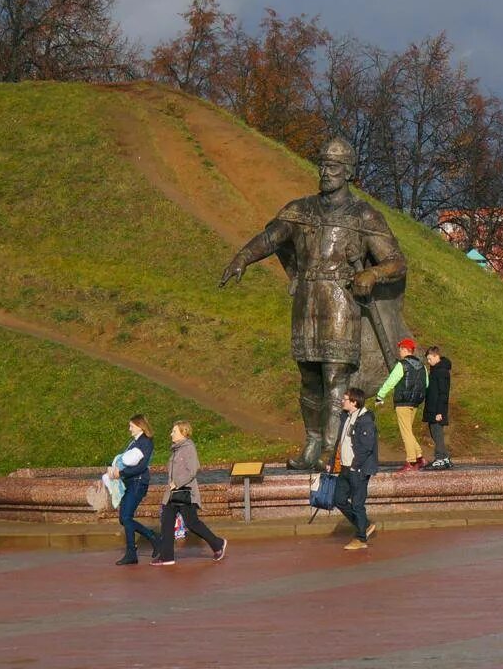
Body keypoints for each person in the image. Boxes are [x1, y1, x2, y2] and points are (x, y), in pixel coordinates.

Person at [218, 137, 410, 470]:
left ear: (348, 171)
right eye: (322, 165)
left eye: (333, 167)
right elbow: (272, 237)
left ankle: (328, 450)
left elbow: (396, 261)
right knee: (308, 377)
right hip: (306, 300)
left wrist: (373, 275)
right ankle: (311, 443)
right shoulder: (300, 209)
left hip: (341, 303)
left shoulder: (364, 215)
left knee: (335, 376)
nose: (325, 172)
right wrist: (243, 257)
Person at [151, 420, 226, 565]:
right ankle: (167, 557)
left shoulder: (189, 448)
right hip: (172, 494)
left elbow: (192, 471)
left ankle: (218, 544)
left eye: (174, 431)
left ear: (183, 432)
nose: (170, 433)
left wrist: (177, 483)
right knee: (166, 522)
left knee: (192, 523)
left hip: (185, 493)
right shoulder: (176, 449)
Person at [105, 414, 158, 566]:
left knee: (126, 517)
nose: (129, 429)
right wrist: (112, 465)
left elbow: (141, 466)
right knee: (124, 518)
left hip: (138, 482)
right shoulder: (135, 442)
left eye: (131, 426)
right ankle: (151, 538)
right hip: (131, 482)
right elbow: (124, 460)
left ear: (140, 426)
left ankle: (133, 552)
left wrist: (120, 473)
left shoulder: (145, 442)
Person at [334, 387, 380, 551]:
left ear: (354, 402)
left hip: (358, 469)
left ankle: (361, 538)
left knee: (357, 504)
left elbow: (366, 447)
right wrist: (333, 461)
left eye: (345, 399)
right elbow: (341, 442)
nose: (342, 401)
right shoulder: (346, 417)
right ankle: (365, 525)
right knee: (338, 499)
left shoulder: (365, 420)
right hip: (345, 467)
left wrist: (355, 466)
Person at [375, 337, 429, 471]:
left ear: (406, 349)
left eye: (400, 349)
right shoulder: (422, 366)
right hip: (415, 402)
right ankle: (420, 457)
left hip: (403, 402)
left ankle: (410, 461)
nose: (399, 351)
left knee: (406, 432)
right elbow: (426, 384)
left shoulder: (402, 364)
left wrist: (380, 395)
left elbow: (391, 381)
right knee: (408, 431)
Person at [423, 345, 455, 470]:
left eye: (430, 359)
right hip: (432, 408)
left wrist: (440, 412)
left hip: (437, 409)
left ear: (436, 356)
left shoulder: (441, 372)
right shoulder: (436, 370)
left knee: (437, 433)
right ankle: (445, 457)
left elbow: (443, 393)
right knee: (434, 432)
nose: (429, 362)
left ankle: (440, 458)